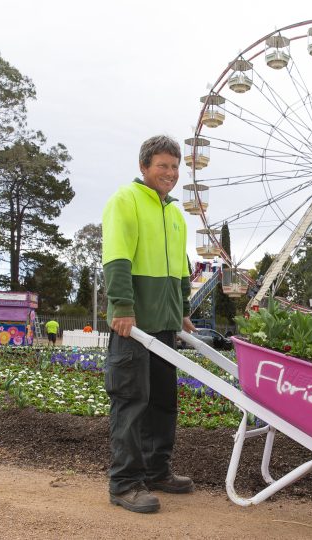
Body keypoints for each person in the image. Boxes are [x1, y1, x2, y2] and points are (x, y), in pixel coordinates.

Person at [102, 135, 196, 514]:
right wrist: (122, 306)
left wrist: (184, 309)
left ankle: (157, 470)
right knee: (131, 402)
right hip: (133, 324)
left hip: (164, 324)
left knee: (162, 402)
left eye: (175, 167)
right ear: (144, 167)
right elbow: (118, 258)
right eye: (162, 166)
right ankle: (124, 483)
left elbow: (181, 269)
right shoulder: (125, 200)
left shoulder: (175, 213)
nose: (170, 173)